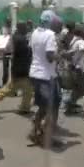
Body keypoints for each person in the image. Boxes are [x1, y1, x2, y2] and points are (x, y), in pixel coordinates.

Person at [28, 10, 62, 147]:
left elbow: (34, 51)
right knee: (52, 107)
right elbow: (49, 56)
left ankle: (35, 131)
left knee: (43, 106)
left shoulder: (35, 33)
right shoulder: (50, 35)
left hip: (35, 73)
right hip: (46, 76)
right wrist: (61, 56)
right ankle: (46, 137)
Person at [0, 22, 34, 114]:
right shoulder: (20, 39)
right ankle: (24, 108)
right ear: (21, 28)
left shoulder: (15, 37)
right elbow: (26, 52)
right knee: (28, 89)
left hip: (17, 68)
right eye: (25, 27)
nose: (26, 29)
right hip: (21, 68)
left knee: (11, 88)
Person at [62, 26, 84, 115]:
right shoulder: (81, 41)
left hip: (73, 67)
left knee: (77, 87)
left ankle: (71, 104)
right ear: (81, 33)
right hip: (78, 69)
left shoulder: (74, 41)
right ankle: (69, 103)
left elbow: (77, 53)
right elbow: (82, 50)